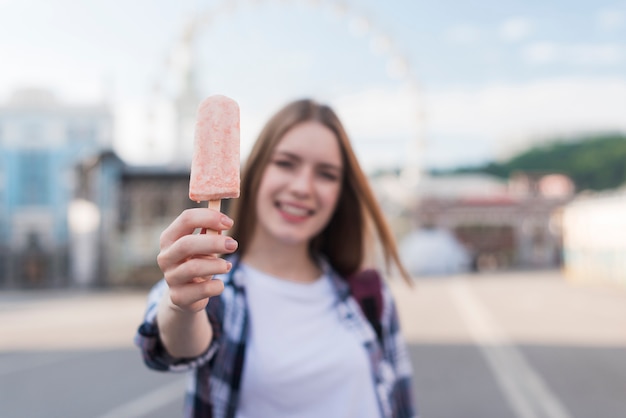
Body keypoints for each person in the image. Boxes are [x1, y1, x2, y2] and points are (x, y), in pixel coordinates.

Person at [135, 98, 418, 418]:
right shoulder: (212, 284)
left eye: (326, 174)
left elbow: (402, 404)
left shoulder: (369, 294)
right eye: (286, 163)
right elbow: (176, 346)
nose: (302, 187)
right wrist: (181, 304)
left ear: (341, 193)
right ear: (255, 172)